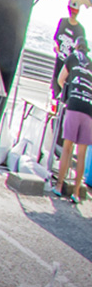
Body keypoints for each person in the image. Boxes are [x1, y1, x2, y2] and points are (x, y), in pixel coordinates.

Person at [57, 47, 92, 204]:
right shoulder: (90, 63)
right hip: (89, 109)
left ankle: (59, 186)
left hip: (74, 104)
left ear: (77, 47)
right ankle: (76, 193)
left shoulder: (71, 57)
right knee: (81, 154)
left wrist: (67, 93)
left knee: (67, 148)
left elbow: (60, 79)